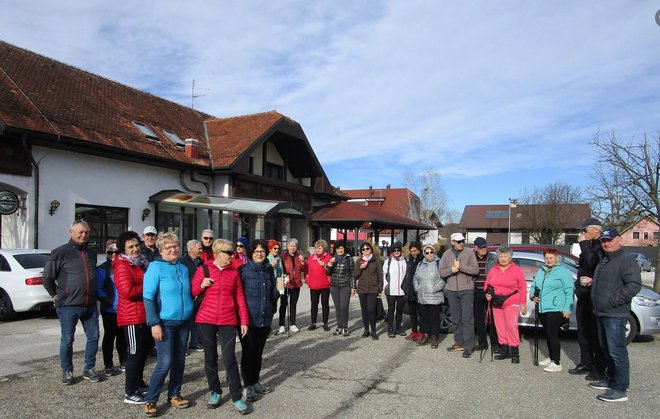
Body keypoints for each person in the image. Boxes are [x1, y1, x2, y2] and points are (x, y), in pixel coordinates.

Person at [191, 239, 251, 414]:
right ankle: (215, 391)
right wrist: (201, 285)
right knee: (210, 358)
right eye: (229, 253)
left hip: (227, 319)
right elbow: (193, 291)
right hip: (206, 319)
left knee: (229, 358)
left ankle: (237, 396)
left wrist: (244, 321)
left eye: (233, 253)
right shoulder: (204, 269)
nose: (232, 256)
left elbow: (240, 297)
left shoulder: (234, 272)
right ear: (218, 253)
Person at [42, 219, 102, 385]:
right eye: (80, 232)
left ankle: (89, 369)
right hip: (68, 305)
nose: (83, 235)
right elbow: (47, 276)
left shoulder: (91, 253)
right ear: (71, 232)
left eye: (86, 232)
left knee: (94, 337)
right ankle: (67, 371)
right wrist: (54, 294)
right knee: (68, 339)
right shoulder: (60, 252)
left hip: (89, 305)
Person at [142, 232, 194, 417]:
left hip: (184, 321)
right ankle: (151, 399)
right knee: (165, 362)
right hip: (165, 322)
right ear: (161, 250)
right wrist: (154, 323)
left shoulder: (183, 268)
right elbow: (148, 296)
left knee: (180, 360)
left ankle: (174, 394)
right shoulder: (155, 268)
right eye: (168, 247)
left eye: (175, 246)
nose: (173, 250)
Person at [588, 229, 641, 402]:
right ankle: (610, 380)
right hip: (602, 312)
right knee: (607, 349)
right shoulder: (605, 260)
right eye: (604, 241)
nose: (606, 243)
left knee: (617, 351)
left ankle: (620, 388)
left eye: (610, 240)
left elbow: (634, 285)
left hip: (615, 314)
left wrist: (613, 301)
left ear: (619, 240)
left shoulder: (626, 260)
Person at [238, 239, 279, 404]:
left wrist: (279, 289)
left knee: (258, 352)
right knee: (248, 352)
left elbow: (272, 296)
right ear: (251, 253)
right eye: (256, 251)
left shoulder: (269, 270)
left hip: (265, 318)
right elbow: (238, 297)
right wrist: (241, 320)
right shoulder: (243, 270)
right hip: (248, 320)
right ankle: (247, 385)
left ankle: (255, 381)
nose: (259, 254)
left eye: (262, 251)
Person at [114, 230, 150, 405]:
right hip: (131, 316)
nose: (135, 249)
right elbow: (127, 292)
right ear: (124, 249)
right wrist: (148, 285)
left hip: (144, 314)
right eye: (131, 247)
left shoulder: (142, 262)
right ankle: (130, 391)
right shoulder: (122, 265)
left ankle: (139, 383)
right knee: (134, 353)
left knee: (142, 352)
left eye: (136, 245)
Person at [569, 218, 607, 380]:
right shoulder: (590, 246)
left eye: (585, 231)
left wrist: (583, 244)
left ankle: (599, 368)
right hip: (584, 295)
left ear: (595, 231)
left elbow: (592, 262)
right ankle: (586, 363)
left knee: (595, 334)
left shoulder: (601, 246)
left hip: (594, 297)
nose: (582, 234)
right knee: (583, 332)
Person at [530, 248, 574, 372]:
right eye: (547, 258)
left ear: (557, 258)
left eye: (551, 258)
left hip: (556, 308)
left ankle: (557, 362)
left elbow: (569, 291)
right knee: (548, 334)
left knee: (553, 335)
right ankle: (551, 357)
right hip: (543, 308)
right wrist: (532, 295)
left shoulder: (563, 272)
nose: (549, 260)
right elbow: (534, 285)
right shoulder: (541, 271)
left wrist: (567, 308)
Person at [484, 245, 527, 364]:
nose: (503, 258)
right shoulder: (494, 269)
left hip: (511, 302)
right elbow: (487, 285)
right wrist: (487, 293)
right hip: (496, 302)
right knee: (500, 327)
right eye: (501, 256)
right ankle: (504, 351)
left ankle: (515, 353)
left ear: (510, 257)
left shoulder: (516, 270)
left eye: (506, 256)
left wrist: (523, 304)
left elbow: (523, 287)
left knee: (511, 327)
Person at [439, 233, 479, 358]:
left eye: (462, 241)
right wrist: (452, 270)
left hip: (467, 289)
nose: (461, 243)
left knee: (467, 319)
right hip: (451, 290)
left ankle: (468, 346)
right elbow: (441, 272)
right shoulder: (446, 254)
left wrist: (461, 267)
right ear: (452, 242)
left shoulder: (469, 252)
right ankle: (459, 342)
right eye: (458, 241)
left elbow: (475, 270)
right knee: (456, 318)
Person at [96, 240, 127, 377]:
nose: (113, 254)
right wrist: (109, 303)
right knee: (109, 337)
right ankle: (108, 365)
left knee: (122, 337)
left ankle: (124, 361)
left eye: (116, 252)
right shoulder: (102, 269)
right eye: (110, 252)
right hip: (109, 310)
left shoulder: (124, 266)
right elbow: (98, 289)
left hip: (123, 309)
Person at [413, 244, 446, 348]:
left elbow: (443, 278)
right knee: (424, 318)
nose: (429, 254)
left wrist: (435, 289)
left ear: (434, 252)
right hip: (422, 296)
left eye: (431, 252)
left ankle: (434, 337)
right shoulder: (420, 264)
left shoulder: (439, 263)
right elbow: (415, 278)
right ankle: (426, 335)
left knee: (434, 318)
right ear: (424, 254)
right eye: (427, 252)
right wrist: (417, 288)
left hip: (434, 296)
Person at [353, 241, 383, 340]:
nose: (365, 250)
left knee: (371, 310)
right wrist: (360, 268)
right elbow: (355, 276)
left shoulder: (376, 260)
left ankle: (373, 331)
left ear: (371, 250)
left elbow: (380, 275)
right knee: (364, 310)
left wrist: (380, 288)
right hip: (362, 289)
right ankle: (366, 330)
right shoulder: (359, 261)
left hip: (373, 289)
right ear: (361, 251)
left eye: (367, 248)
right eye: (363, 249)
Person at [472, 237, 498, 352]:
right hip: (476, 291)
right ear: (476, 248)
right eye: (481, 247)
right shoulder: (471, 258)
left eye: (485, 246)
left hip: (490, 291)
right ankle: (482, 342)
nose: (484, 249)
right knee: (479, 319)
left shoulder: (493, 258)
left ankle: (495, 344)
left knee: (493, 319)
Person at [326, 240, 355, 337]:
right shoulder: (332, 259)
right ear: (335, 250)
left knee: (344, 307)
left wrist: (353, 287)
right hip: (334, 286)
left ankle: (345, 328)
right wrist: (330, 264)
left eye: (341, 248)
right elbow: (328, 273)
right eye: (338, 248)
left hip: (345, 286)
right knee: (337, 307)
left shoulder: (349, 258)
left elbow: (352, 274)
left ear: (344, 248)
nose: (340, 250)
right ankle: (339, 327)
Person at [180, 239, 204, 352]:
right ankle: (181, 348)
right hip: (187, 294)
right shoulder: (182, 262)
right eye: (199, 248)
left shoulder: (200, 262)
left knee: (196, 320)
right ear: (191, 249)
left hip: (198, 294)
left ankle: (194, 343)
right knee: (186, 322)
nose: (201, 250)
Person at [277, 238, 304, 334]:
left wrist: (303, 262)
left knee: (293, 304)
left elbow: (303, 269)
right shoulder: (282, 257)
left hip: (296, 283)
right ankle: (281, 325)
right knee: (283, 304)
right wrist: (284, 277)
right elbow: (279, 269)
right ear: (287, 246)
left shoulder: (299, 256)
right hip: (285, 283)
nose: (293, 248)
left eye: (294, 246)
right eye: (291, 246)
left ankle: (292, 324)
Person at [305, 239, 332, 331]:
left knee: (325, 305)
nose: (317, 250)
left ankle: (325, 323)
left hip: (325, 285)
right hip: (313, 285)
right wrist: (308, 281)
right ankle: (313, 323)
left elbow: (331, 272)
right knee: (314, 304)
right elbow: (307, 271)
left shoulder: (328, 257)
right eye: (316, 248)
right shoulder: (311, 258)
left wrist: (325, 265)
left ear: (324, 248)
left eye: (320, 248)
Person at [383, 241, 407, 338]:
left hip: (402, 291)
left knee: (400, 310)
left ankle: (398, 327)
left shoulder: (405, 261)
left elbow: (407, 275)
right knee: (391, 310)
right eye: (394, 250)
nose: (396, 252)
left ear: (401, 251)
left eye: (398, 250)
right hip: (391, 290)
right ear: (392, 251)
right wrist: (386, 284)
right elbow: (384, 274)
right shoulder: (388, 261)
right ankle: (390, 328)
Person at [401, 241, 424, 342]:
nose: (413, 253)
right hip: (410, 291)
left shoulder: (423, 260)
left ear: (419, 250)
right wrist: (404, 285)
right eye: (411, 251)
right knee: (412, 313)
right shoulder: (410, 260)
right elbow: (407, 274)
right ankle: (414, 331)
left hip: (420, 291)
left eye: (415, 251)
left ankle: (422, 332)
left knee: (422, 314)